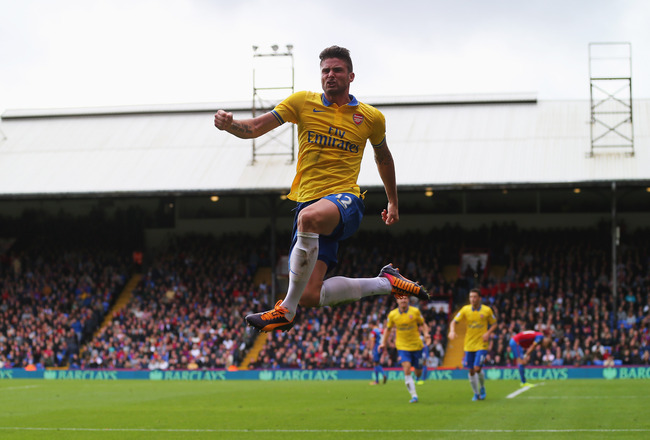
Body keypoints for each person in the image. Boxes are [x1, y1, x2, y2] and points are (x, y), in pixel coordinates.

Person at [214, 46, 429, 332]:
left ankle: (285, 311)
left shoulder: (370, 117)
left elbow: (383, 157)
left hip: (346, 200)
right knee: (311, 295)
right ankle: (385, 282)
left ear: (351, 76)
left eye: (337, 70)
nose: (330, 75)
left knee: (308, 219)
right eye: (325, 70)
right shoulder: (302, 102)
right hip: (309, 204)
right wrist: (230, 125)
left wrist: (393, 201)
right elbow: (254, 128)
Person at [448, 288, 497, 401]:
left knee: (477, 368)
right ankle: (476, 393)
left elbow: (494, 324)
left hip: (481, 344)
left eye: (475, 297)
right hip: (469, 344)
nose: (473, 299)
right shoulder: (465, 310)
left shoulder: (487, 310)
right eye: (471, 297)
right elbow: (453, 322)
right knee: (471, 370)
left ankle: (482, 387)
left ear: (479, 298)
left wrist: (488, 333)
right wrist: (452, 331)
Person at [381, 296, 431, 403]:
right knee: (407, 368)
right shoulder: (392, 314)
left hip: (417, 346)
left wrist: (426, 334)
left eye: (405, 298)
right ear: (397, 301)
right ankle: (414, 396)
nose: (403, 300)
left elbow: (423, 324)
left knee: (418, 372)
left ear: (408, 300)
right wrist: (382, 343)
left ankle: (418, 372)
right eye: (401, 298)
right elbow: (388, 329)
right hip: (402, 346)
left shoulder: (415, 311)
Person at [368, 320, 387, 385]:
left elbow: (372, 341)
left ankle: (381, 377)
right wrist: (385, 350)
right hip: (381, 347)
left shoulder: (373, 332)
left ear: (371, 325)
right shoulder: (381, 330)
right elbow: (384, 339)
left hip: (376, 348)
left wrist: (371, 351)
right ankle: (377, 380)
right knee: (377, 363)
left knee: (375, 363)